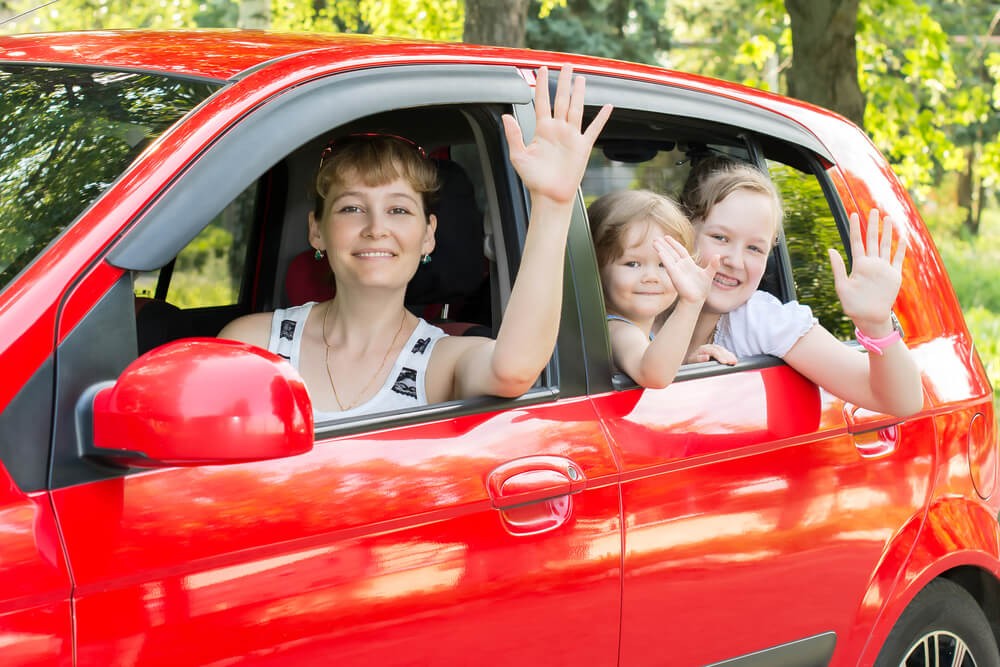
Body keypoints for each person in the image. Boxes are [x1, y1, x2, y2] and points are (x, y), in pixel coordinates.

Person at [219, 65, 612, 420]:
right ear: (316, 230)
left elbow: (514, 369)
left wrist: (554, 204)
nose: (376, 227)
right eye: (352, 209)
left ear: (428, 236)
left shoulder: (439, 362)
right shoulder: (253, 344)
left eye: (399, 211)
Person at [679, 159, 923, 417]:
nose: (735, 261)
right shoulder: (639, 300)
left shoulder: (759, 319)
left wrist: (876, 324)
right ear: (683, 230)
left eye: (754, 248)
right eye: (720, 238)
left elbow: (901, 402)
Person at [588, 190, 735, 389]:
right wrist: (690, 303)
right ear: (596, 268)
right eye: (632, 264)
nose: (651, 277)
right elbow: (654, 375)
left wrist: (686, 366)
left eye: (664, 264)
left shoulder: (642, 331)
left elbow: (653, 363)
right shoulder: (616, 329)